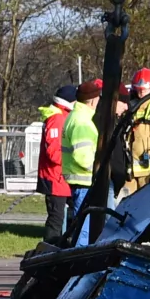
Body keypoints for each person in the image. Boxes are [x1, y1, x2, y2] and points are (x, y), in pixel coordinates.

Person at [60, 78, 102, 229]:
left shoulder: (74, 116)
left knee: (79, 224)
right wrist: (99, 170)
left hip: (76, 180)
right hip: (84, 181)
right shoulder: (82, 122)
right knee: (83, 228)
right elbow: (83, 157)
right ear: (92, 101)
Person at [38, 86, 75, 244]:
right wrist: (73, 160)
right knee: (56, 219)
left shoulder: (61, 116)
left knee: (66, 216)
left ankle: (60, 246)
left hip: (60, 177)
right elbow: (54, 153)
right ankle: (49, 248)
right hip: (55, 178)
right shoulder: (57, 119)